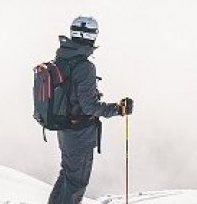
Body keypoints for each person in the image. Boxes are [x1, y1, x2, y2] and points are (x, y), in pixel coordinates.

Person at [47, 15, 133, 204]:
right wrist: (118, 109)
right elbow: (89, 107)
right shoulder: (84, 67)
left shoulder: (62, 58)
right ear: (91, 37)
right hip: (79, 132)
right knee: (77, 182)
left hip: (65, 128)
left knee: (67, 176)